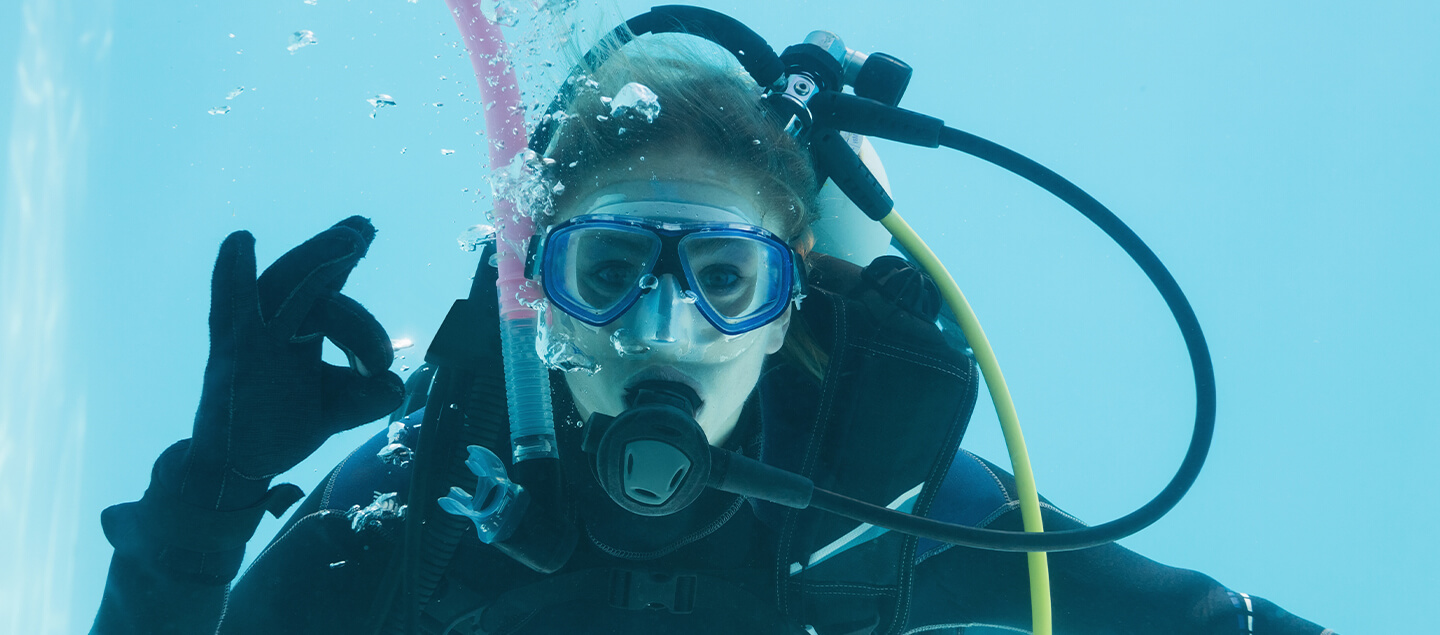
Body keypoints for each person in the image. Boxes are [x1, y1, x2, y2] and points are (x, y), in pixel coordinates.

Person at [90, 28, 1338, 635]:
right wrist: (201, 512)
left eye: (726, 277)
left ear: (789, 305)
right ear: (536, 295)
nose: (661, 320)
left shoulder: (880, 497)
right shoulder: (429, 489)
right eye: (608, 267)